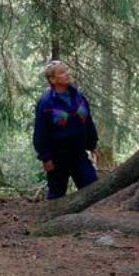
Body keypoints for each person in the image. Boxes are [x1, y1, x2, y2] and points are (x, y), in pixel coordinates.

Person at [33, 59, 99, 199]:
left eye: (67, 70)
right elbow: (40, 133)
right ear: (52, 79)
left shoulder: (79, 97)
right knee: (56, 196)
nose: (67, 74)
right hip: (57, 160)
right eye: (62, 72)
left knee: (93, 190)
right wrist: (46, 158)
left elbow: (88, 122)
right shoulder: (46, 103)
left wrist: (92, 145)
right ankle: (53, 220)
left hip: (79, 156)